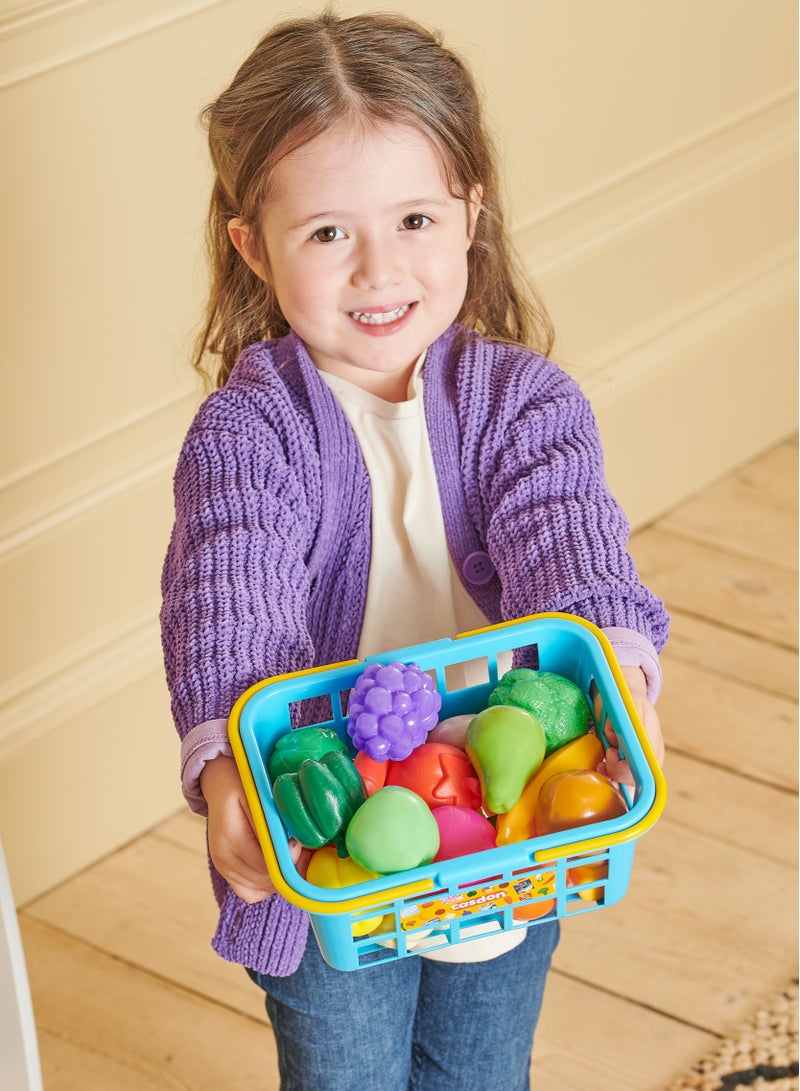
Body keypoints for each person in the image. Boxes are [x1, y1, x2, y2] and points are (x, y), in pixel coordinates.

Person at [160, 9, 669, 1090]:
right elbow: (229, 588)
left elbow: (567, 542)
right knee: (344, 1074)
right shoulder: (249, 431)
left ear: (471, 214)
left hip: (506, 829)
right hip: (329, 849)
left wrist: (614, 660)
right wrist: (229, 777)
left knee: (481, 1069)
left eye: (414, 219)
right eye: (327, 233)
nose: (377, 269)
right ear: (254, 245)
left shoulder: (525, 403)